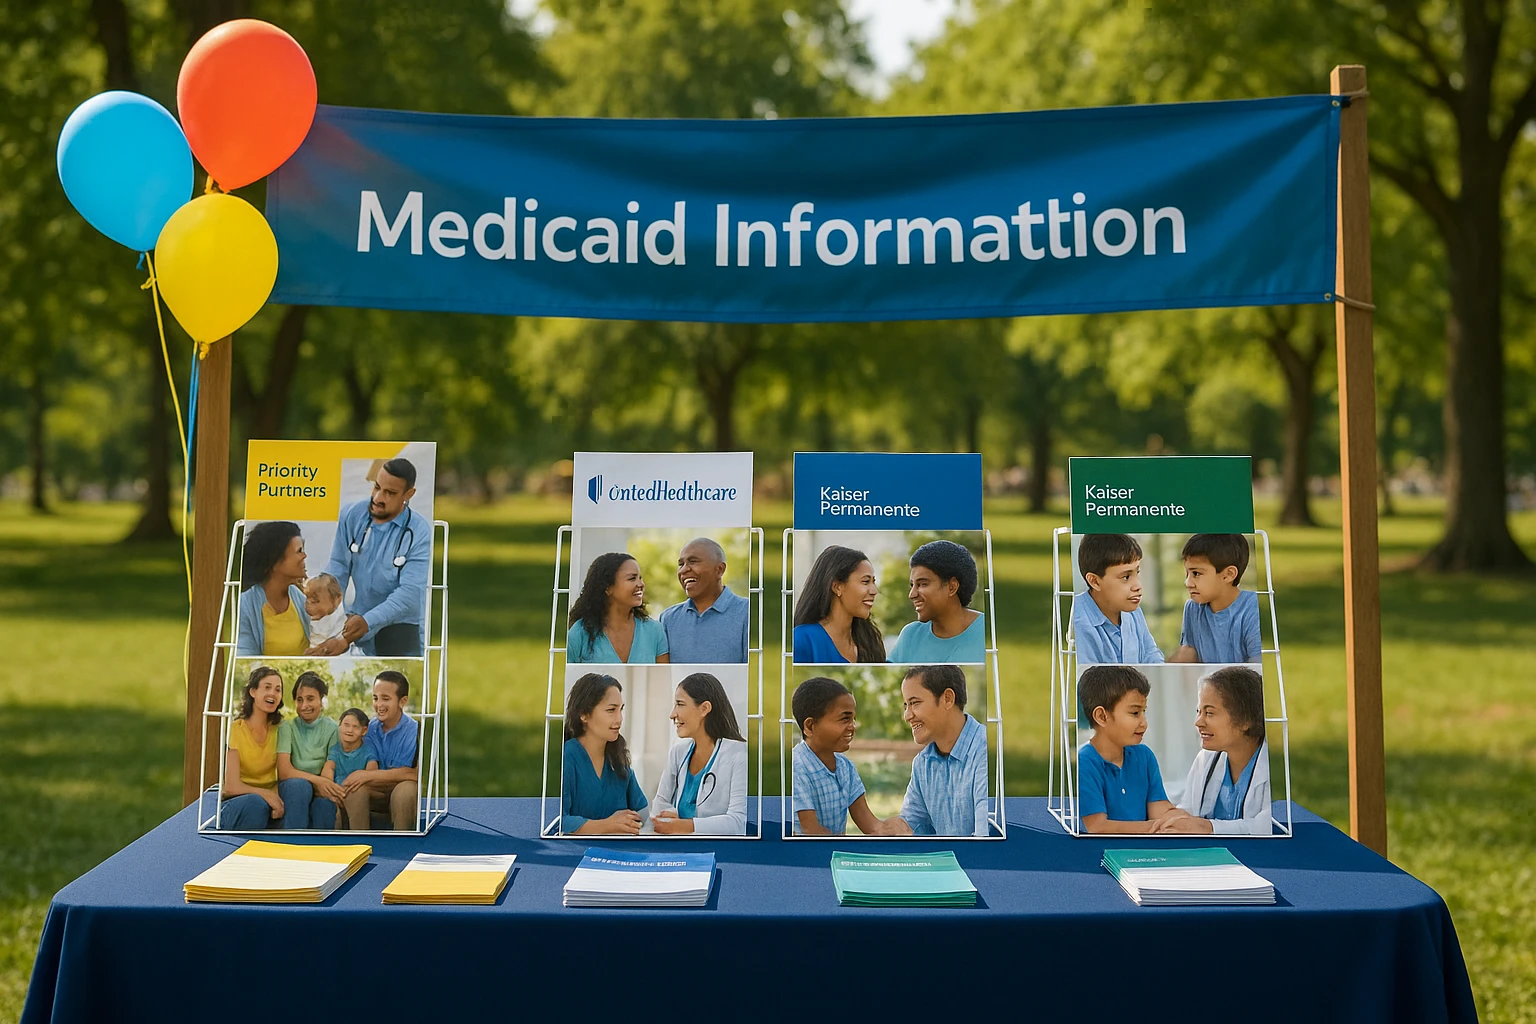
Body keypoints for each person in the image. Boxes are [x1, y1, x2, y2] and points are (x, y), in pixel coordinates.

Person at [318, 457, 430, 657]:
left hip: (398, 627)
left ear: (408, 494)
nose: (378, 497)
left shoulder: (419, 531)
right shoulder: (352, 514)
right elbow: (339, 566)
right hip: (353, 622)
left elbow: (410, 595)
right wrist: (328, 610)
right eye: (377, 487)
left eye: (390, 493)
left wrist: (367, 622)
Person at [1075, 664, 1192, 834]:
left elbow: (1159, 809)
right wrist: (1153, 827)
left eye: (1144, 711)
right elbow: (1096, 826)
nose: (1144, 723)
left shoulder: (1144, 756)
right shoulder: (1084, 762)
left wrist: (1180, 819)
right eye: (1135, 713)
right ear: (1102, 716)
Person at [790, 676, 909, 836]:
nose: (852, 727)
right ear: (810, 726)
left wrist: (891, 828)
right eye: (845, 719)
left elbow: (872, 826)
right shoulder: (796, 767)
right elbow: (812, 832)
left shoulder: (845, 766)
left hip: (833, 850)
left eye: (853, 719)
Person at [1164, 666, 1273, 834]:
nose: (1198, 722)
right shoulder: (1205, 759)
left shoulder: (1274, 765)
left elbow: (1271, 825)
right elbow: (1189, 810)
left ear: (1246, 720)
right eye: (1198, 712)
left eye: (1209, 713)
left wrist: (1210, 827)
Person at [649, 672, 749, 835]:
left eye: (680, 704)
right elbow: (658, 809)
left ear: (704, 709)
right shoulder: (678, 752)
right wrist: (672, 819)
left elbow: (738, 823)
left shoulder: (739, 755)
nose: (672, 714)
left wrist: (682, 825)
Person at [897, 665, 990, 836]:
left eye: (915, 703)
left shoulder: (987, 751)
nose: (907, 715)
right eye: (906, 705)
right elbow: (910, 827)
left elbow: (985, 839)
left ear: (947, 698)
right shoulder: (922, 763)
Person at [219, 666, 313, 830]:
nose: (273, 694)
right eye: (267, 687)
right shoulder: (234, 729)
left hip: (273, 800)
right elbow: (231, 786)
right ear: (253, 692)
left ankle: (293, 846)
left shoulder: (281, 729)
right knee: (256, 803)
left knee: (300, 786)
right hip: (240, 801)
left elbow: (287, 770)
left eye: (278, 690)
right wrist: (266, 795)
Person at [561, 673, 649, 834]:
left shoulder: (617, 759)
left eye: (621, 709)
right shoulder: (567, 757)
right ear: (584, 715)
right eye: (611, 710)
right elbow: (558, 820)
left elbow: (643, 815)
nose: (619, 718)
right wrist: (608, 825)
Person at [340, 671, 419, 831]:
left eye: (386, 699)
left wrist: (367, 775)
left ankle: (401, 845)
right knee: (354, 789)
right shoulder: (368, 729)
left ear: (402, 701)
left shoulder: (414, 730)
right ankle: (359, 843)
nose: (379, 705)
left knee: (405, 791)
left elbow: (411, 774)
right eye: (375, 698)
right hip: (375, 789)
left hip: (401, 788)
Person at [1070, 533, 1164, 665]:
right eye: (1126, 577)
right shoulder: (1081, 621)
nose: (1138, 586)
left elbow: (1151, 653)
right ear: (1095, 581)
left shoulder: (1133, 610)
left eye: (1137, 572)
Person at [888, 540, 987, 664]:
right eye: (912, 585)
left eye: (922, 584)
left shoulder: (988, 632)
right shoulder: (911, 635)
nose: (912, 594)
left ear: (952, 587)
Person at [1169, 534, 1262, 664]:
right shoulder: (1193, 608)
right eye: (1187, 573)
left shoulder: (1253, 608)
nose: (1188, 583)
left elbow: (1258, 667)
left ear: (1228, 575)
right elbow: (1188, 656)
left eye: (1196, 573)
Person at [566, 552, 670, 664]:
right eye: (632, 578)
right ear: (607, 588)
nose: (641, 584)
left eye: (640, 578)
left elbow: (663, 680)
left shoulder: (655, 630)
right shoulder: (579, 633)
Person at [658, 538, 749, 663]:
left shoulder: (747, 613)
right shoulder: (667, 619)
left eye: (693, 561)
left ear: (719, 570)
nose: (684, 570)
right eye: (681, 564)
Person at [791, 545, 885, 664]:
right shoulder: (802, 639)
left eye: (873, 582)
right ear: (837, 587)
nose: (874, 590)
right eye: (865, 581)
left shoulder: (870, 641)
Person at [275, 671, 343, 829]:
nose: (304, 706)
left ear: (321, 701)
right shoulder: (288, 727)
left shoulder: (332, 728)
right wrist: (318, 781)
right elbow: (284, 771)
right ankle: (293, 844)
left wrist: (323, 784)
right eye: (299, 700)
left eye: (310, 699)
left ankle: (321, 850)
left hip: (321, 788)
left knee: (325, 804)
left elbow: (331, 765)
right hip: (293, 787)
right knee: (301, 787)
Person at [235, 521, 311, 657]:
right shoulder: (245, 605)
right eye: (299, 551)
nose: (305, 556)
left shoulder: (302, 599)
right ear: (274, 562)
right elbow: (244, 655)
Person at [322, 708, 379, 828]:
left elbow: (372, 775)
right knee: (330, 807)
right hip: (338, 793)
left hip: (356, 794)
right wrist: (331, 788)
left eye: (355, 727)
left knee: (356, 796)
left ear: (364, 731)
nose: (349, 730)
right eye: (346, 725)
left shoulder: (368, 751)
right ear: (339, 726)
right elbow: (329, 768)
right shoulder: (336, 750)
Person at [303, 574, 348, 647]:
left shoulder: (339, 617)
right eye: (307, 599)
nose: (308, 604)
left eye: (315, 601)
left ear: (337, 599)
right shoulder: (305, 617)